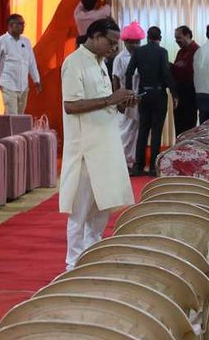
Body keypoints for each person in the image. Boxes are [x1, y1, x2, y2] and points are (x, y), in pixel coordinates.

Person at [59, 18, 136, 270]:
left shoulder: (101, 62)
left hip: (107, 144)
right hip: (85, 148)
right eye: (110, 42)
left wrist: (121, 102)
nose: (114, 48)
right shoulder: (74, 62)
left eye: (116, 44)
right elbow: (71, 106)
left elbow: (104, 102)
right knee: (79, 212)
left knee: (103, 206)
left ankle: (91, 259)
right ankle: (72, 265)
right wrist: (110, 99)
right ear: (95, 36)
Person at [125, 25, 173, 175]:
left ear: (147, 37)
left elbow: (129, 72)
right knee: (156, 132)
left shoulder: (139, 51)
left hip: (143, 94)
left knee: (143, 130)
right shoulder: (162, 52)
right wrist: (174, 92)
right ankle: (153, 167)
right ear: (160, 38)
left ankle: (139, 166)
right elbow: (166, 73)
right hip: (159, 94)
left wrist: (129, 92)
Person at [0, 13, 41, 114]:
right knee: (13, 115)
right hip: (8, 85)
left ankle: (4, 125)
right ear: (11, 25)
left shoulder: (26, 41)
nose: (23, 26)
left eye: (23, 24)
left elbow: (31, 63)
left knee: (19, 116)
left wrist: (36, 80)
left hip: (23, 86)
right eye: (20, 24)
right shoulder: (0, 41)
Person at [112, 22, 145, 164]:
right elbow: (115, 79)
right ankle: (121, 159)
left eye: (137, 42)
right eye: (131, 42)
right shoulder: (120, 58)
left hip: (140, 98)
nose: (134, 45)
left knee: (137, 130)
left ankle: (133, 159)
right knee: (125, 129)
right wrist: (118, 100)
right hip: (126, 99)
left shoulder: (142, 56)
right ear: (125, 42)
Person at [170, 26, 200, 134]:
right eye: (175, 38)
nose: (176, 41)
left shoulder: (197, 50)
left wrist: (174, 67)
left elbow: (192, 72)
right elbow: (176, 71)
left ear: (187, 35)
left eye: (178, 37)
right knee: (178, 127)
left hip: (190, 95)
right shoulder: (180, 52)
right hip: (179, 94)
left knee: (189, 128)